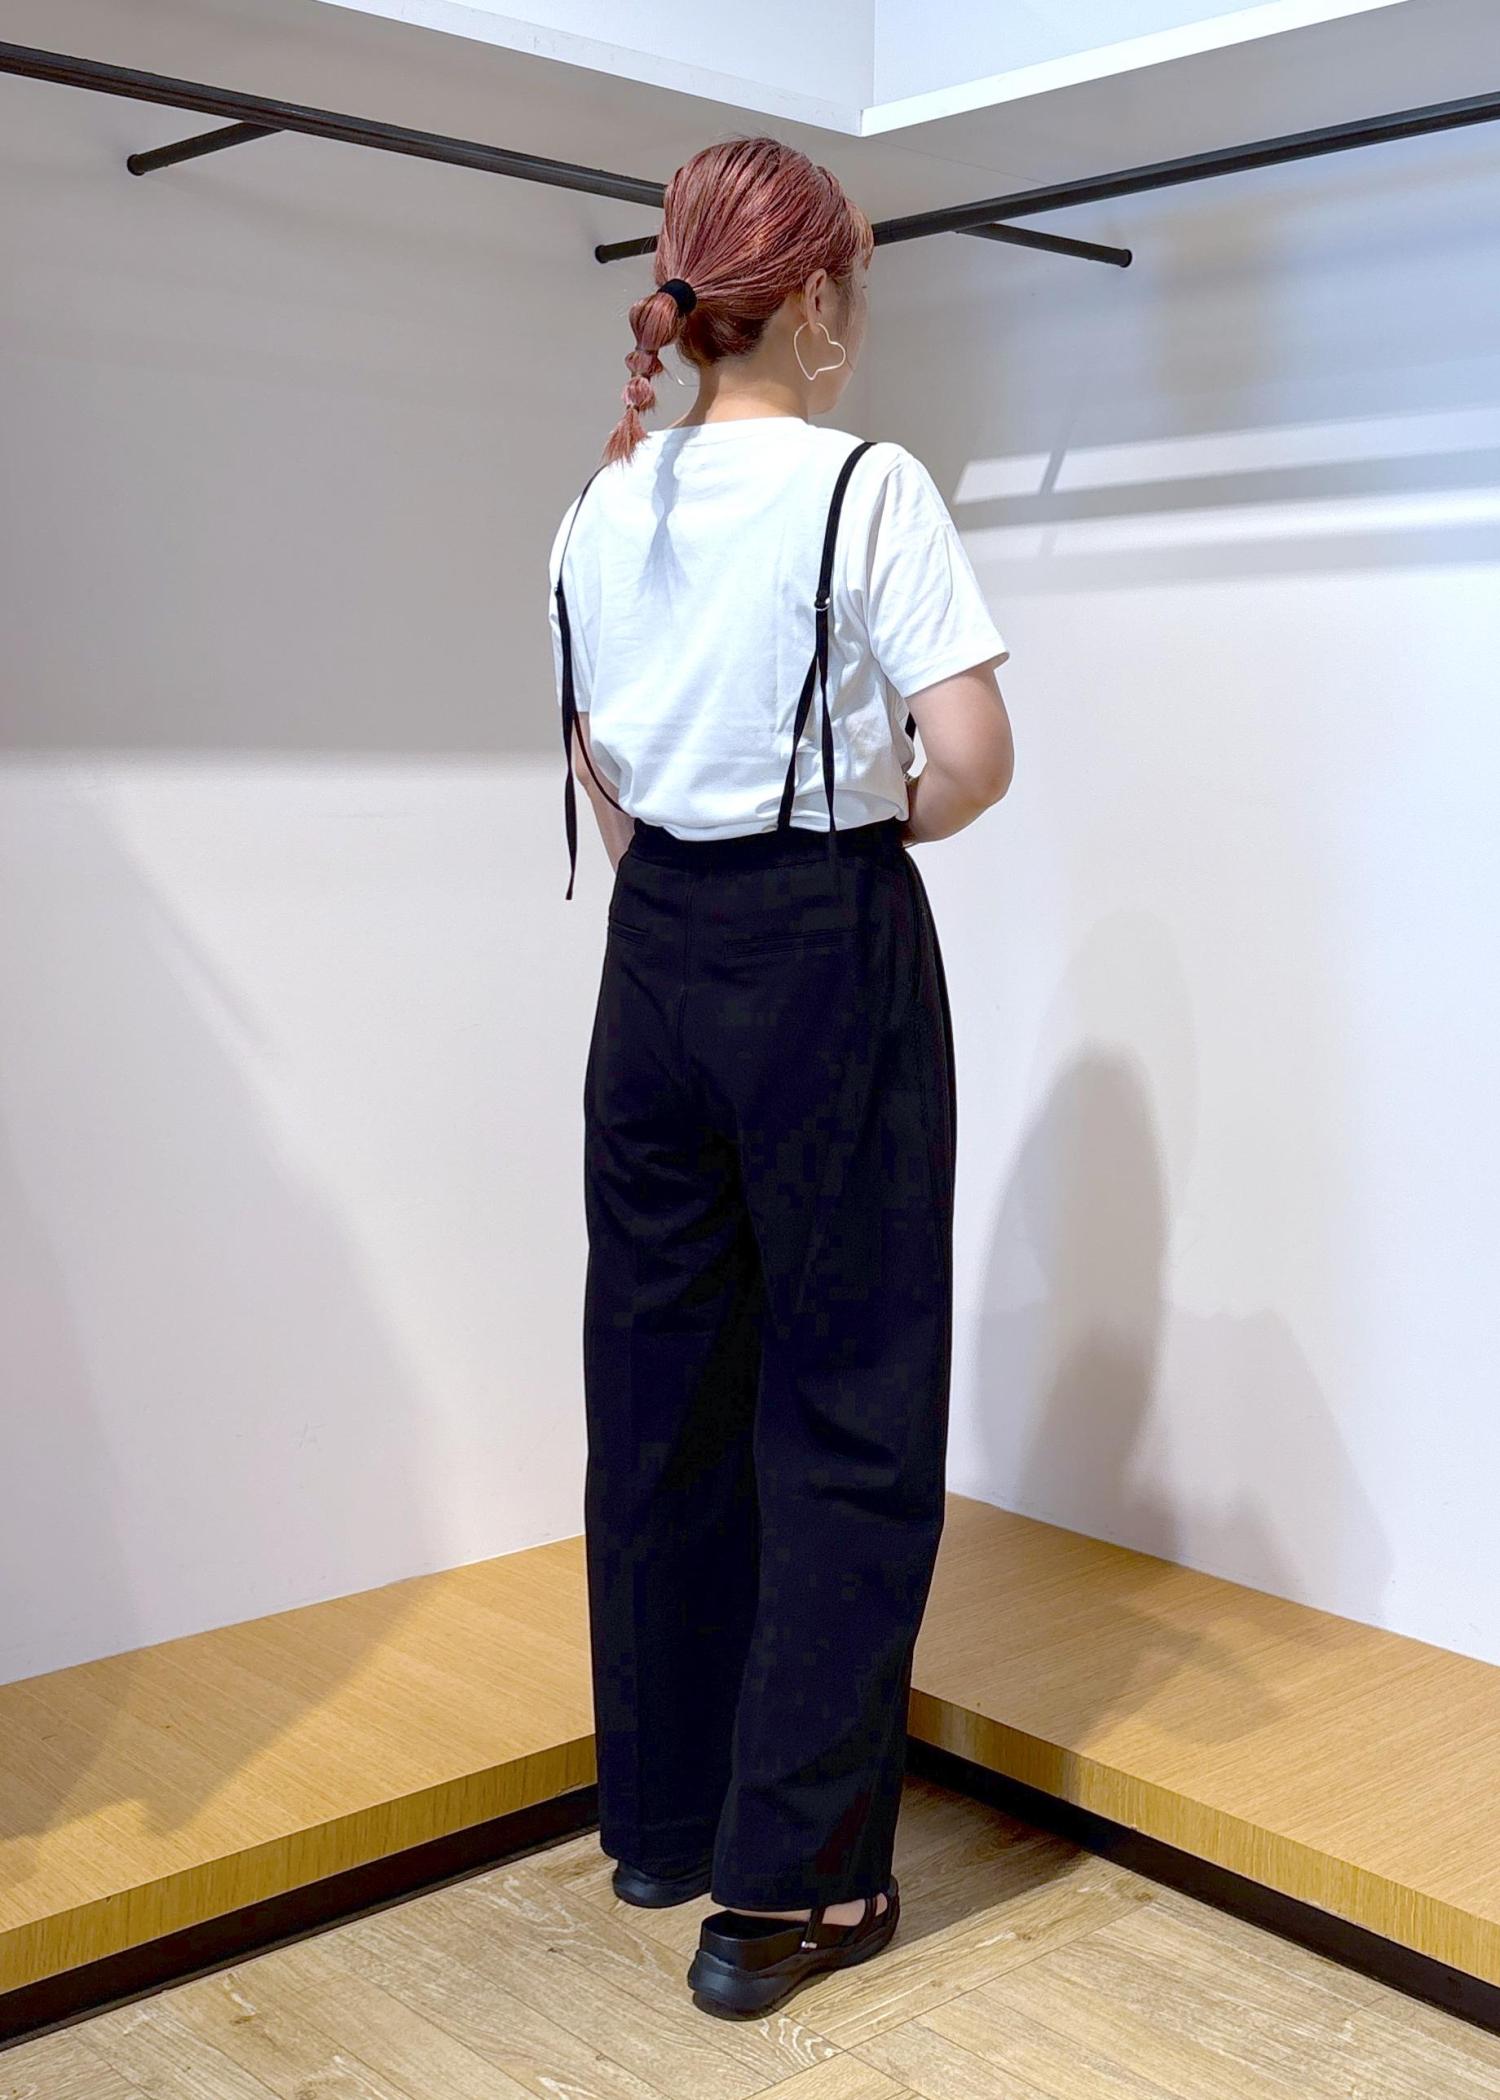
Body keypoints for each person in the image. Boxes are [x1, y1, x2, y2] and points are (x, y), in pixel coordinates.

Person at [547, 135, 1014, 2020]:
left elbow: (601, 766)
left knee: (660, 1391)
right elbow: (973, 756)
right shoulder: (864, 486)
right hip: (824, 939)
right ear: (815, 297)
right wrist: (864, 823)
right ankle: (790, 1893)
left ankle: (664, 1823)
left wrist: (696, 853)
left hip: (653, 956)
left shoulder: (602, 503)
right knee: (848, 1403)